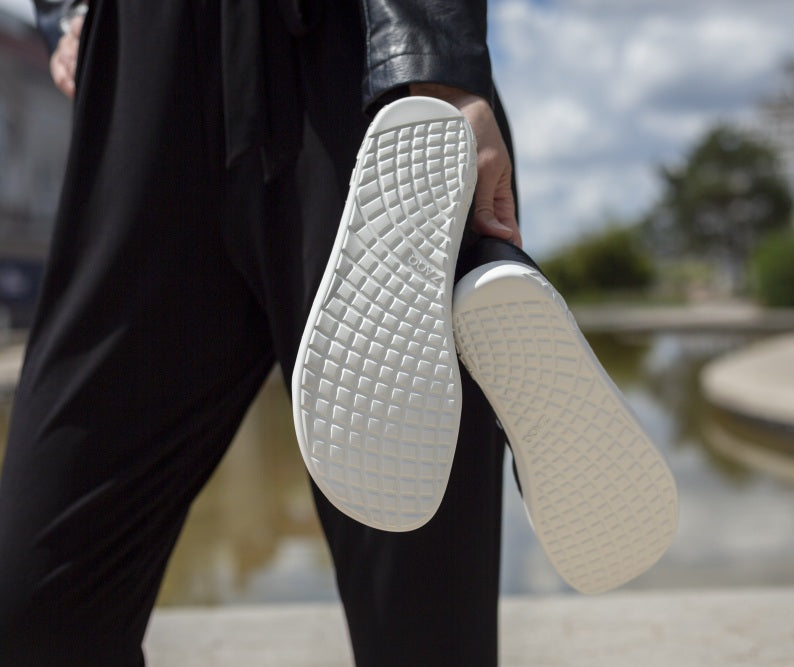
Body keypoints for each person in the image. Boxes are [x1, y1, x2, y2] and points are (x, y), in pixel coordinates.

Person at [0, 1, 519, 665]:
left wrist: (440, 59)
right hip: (146, 80)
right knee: (34, 608)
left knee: (423, 624)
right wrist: (65, 12)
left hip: (363, 77)